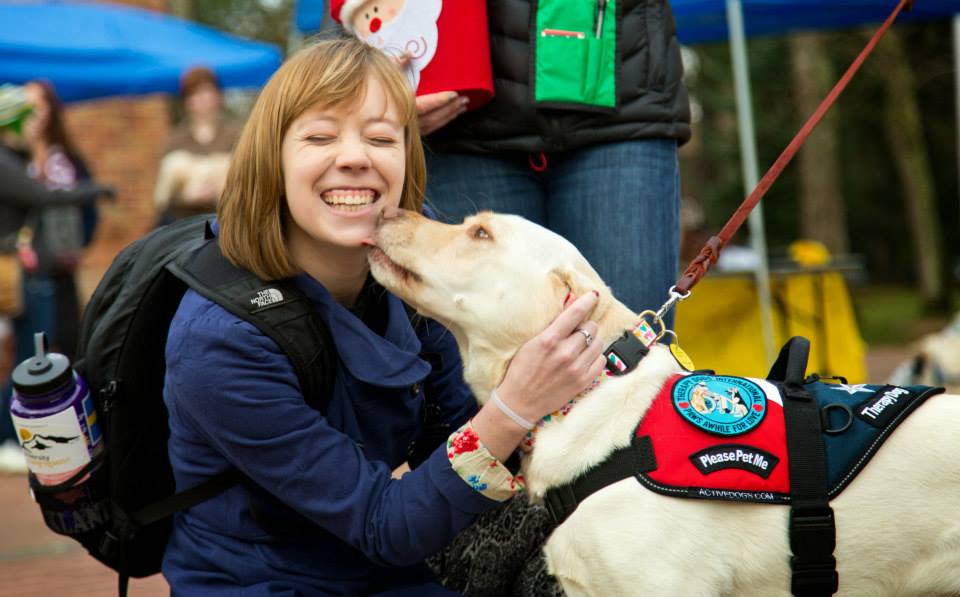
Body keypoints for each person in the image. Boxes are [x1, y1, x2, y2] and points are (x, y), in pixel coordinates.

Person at [162, 37, 605, 596]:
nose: (354, 157)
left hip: (393, 568)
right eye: (320, 136)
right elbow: (384, 525)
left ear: (406, 156)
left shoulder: (407, 265)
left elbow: (452, 433)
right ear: (270, 159)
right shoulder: (219, 341)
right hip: (268, 582)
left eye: (380, 137)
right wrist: (515, 406)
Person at [333, 0, 691, 319]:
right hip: (459, 123)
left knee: (629, 351)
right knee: (465, 367)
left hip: (624, 104)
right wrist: (377, 81)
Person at [0, 88, 111, 472]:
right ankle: (11, 437)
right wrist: (97, 190)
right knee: (28, 355)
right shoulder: (8, 159)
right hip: (27, 270)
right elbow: (43, 196)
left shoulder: (30, 156)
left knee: (49, 345)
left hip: (51, 269)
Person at [153, 66, 241, 224]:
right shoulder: (175, 139)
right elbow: (162, 194)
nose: (203, 99)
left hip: (226, 220)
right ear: (187, 101)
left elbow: (245, 179)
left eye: (207, 92)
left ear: (217, 96)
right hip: (183, 223)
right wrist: (185, 196)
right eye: (196, 93)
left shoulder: (236, 134)